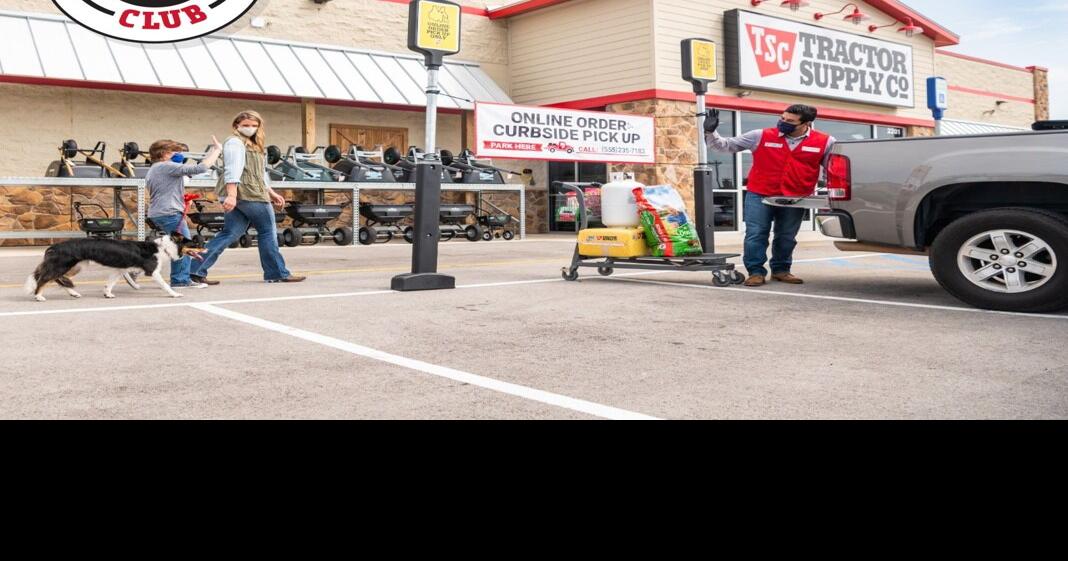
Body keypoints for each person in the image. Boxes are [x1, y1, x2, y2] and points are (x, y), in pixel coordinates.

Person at [705, 104, 836, 287]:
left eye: (790, 121)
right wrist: (711, 132)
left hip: (795, 198)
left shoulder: (825, 141)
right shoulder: (760, 135)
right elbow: (723, 146)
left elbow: (832, 170)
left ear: (806, 123)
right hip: (760, 194)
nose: (783, 122)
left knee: (786, 236)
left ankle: (781, 270)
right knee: (756, 234)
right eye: (782, 118)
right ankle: (756, 272)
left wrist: (833, 192)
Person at [190, 110, 305, 285]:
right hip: (248, 194)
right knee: (267, 231)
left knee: (230, 232)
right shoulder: (235, 142)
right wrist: (231, 195)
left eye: (254, 125)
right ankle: (276, 273)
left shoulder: (253, 145)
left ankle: (195, 270)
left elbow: (258, 173)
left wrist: (271, 192)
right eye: (245, 125)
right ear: (237, 125)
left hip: (247, 192)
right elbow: (233, 169)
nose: (250, 128)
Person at [145, 137, 221, 289]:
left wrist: (181, 199)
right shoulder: (166, 166)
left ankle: (178, 277)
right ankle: (180, 280)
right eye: (175, 151)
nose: (179, 154)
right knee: (184, 247)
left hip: (162, 211)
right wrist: (217, 151)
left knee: (174, 246)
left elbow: (166, 190)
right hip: (169, 213)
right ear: (165, 153)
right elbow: (200, 168)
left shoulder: (155, 168)